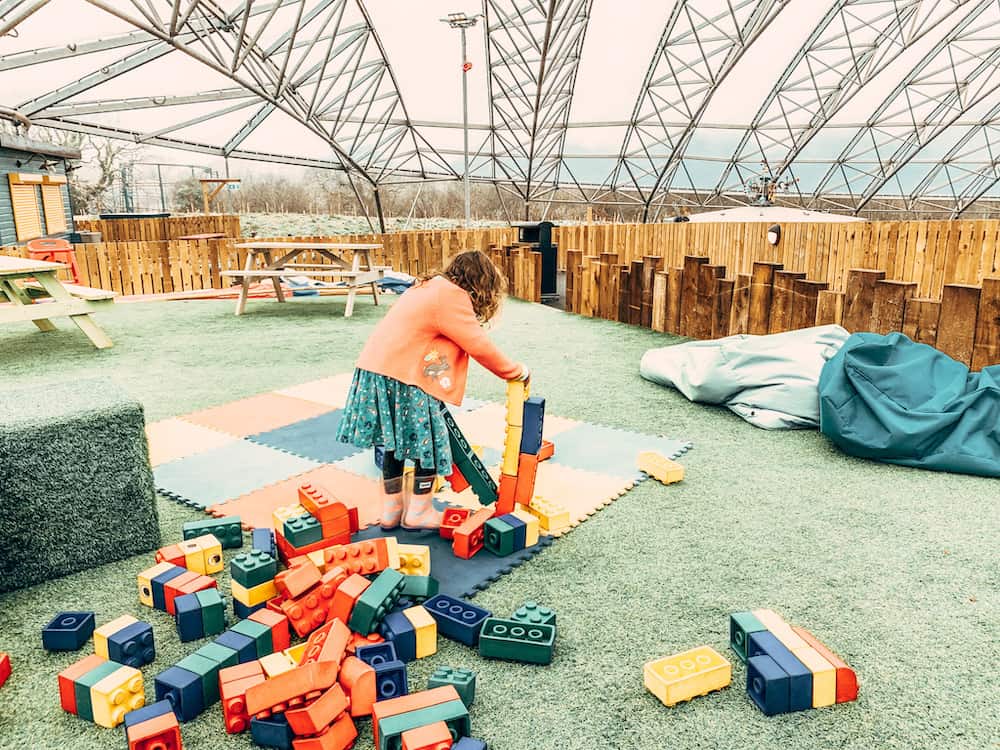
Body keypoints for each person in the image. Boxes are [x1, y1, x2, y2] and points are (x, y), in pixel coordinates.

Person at [337, 250, 529, 530]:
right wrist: (516, 371)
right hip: (403, 377)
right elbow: (478, 345)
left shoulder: (427, 287)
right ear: (480, 283)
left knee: (394, 442)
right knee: (429, 441)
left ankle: (391, 511)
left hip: (375, 370)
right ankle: (419, 511)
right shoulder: (451, 296)